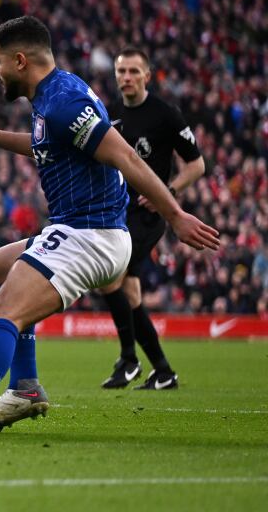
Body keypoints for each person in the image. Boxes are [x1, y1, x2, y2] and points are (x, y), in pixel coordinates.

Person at [0, 16, 219, 437]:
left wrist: (174, 216)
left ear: (21, 60)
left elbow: (126, 157)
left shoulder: (64, 101)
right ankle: (25, 387)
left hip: (91, 235)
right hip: (79, 229)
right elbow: (49, 143)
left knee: (4, 311)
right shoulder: (51, 96)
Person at [99, 47, 204, 390]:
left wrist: (167, 195)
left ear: (147, 75)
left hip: (147, 215)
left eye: (133, 71)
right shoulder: (109, 113)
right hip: (116, 210)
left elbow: (197, 164)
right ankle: (162, 370)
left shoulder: (165, 114)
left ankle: (129, 359)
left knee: (112, 279)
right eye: (121, 72)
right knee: (130, 294)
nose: (126, 77)